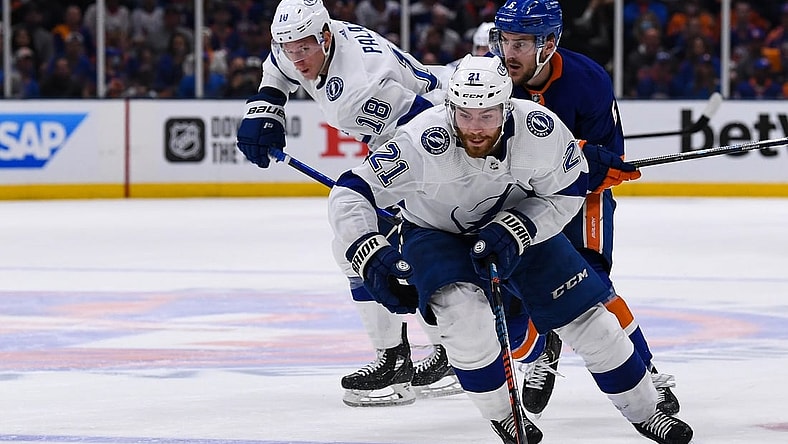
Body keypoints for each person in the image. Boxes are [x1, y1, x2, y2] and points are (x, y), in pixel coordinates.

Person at [327, 55, 693, 444]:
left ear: (507, 106)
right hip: (435, 233)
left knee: (594, 323)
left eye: (487, 115)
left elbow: (567, 191)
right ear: (449, 107)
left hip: (516, 223)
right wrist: (367, 251)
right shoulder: (422, 139)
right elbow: (350, 192)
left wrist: (521, 227)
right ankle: (505, 417)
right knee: (463, 320)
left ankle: (647, 412)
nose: (475, 128)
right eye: (465, 115)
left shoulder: (541, 130)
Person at [235, 0, 460, 407]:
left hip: (434, 133)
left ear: (323, 36)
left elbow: (424, 128)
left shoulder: (360, 87)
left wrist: (411, 195)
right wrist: (267, 106)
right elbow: (278, 66)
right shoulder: (315, 38)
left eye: (304, 47)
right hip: (416, 125)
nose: (297, 58)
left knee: (367, 245)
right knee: (368, 245)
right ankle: (444, 353)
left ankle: (408, 359)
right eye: (290, 47)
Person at [490, 0, 681, 419]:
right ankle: (545, 349)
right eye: (504, 40)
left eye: (520, 43)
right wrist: (564, 154)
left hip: (581, 195)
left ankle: (644, 372)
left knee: (592, 285)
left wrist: (590, 163)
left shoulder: (588, 80)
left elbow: (609, 160)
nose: (507, 53)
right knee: (515, 304)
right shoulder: (490, 80)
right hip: (519, 200)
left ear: (549, 43)